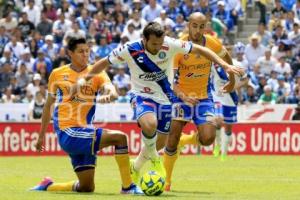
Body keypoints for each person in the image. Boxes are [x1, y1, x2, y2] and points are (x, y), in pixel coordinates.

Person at [73, 22, 244, 184]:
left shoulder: (169, 44)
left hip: (165, 100)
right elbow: (102, 63)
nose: (158, 47)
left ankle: (136, 166)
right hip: (141, 96)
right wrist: (82, 81)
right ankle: (155, 160)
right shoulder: (129, 49)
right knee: (150, 124)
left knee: (159, 143)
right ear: (144, 40)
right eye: (154, 44)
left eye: (160, 43)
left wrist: (223, 64)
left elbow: (200, 49)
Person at [31, 37, 143, 194]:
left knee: (86, 187)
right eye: (81, 51)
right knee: (120, 138)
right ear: (70, 53)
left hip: (85, 131)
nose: (85, 54)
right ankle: (128, 187)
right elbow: (48, 105)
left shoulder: (96, 72)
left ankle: (48, 185)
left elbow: (111, 89)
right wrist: (41, 136)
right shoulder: (57, 74)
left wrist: (110, 95)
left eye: (87, 51)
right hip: (68, 132)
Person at [162, 12, 235, 191]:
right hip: (180, 97)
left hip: (204, 98)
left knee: (208, 138)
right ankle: (167, 180)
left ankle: (185, 141)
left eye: (201, 26)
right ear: (189, 25)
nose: (197, 29)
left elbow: (226, 57)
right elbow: (170, 80)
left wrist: (231, 80)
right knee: (172, 137)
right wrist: (184, 97)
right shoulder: (179, 46)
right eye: (194, 25)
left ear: (205, 27)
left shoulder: (212, 43)